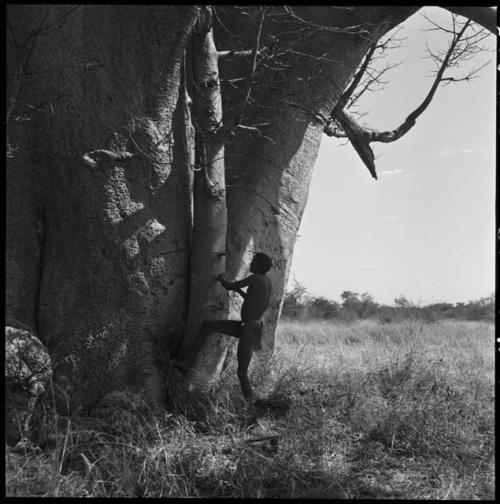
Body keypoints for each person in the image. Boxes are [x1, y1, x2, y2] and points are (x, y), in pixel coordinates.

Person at [176, 252, 273, 403]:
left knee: (241, 372)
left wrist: (220, 278)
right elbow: (252, 299)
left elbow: (228, 285)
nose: (250, 265)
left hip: (250, 330)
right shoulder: (266, 282)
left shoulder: (255, 278)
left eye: (253, 262)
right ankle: (185, 361)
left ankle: (252, 403)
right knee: (207, 326)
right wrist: (238, 290)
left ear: (259, 266)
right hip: (249, 327)